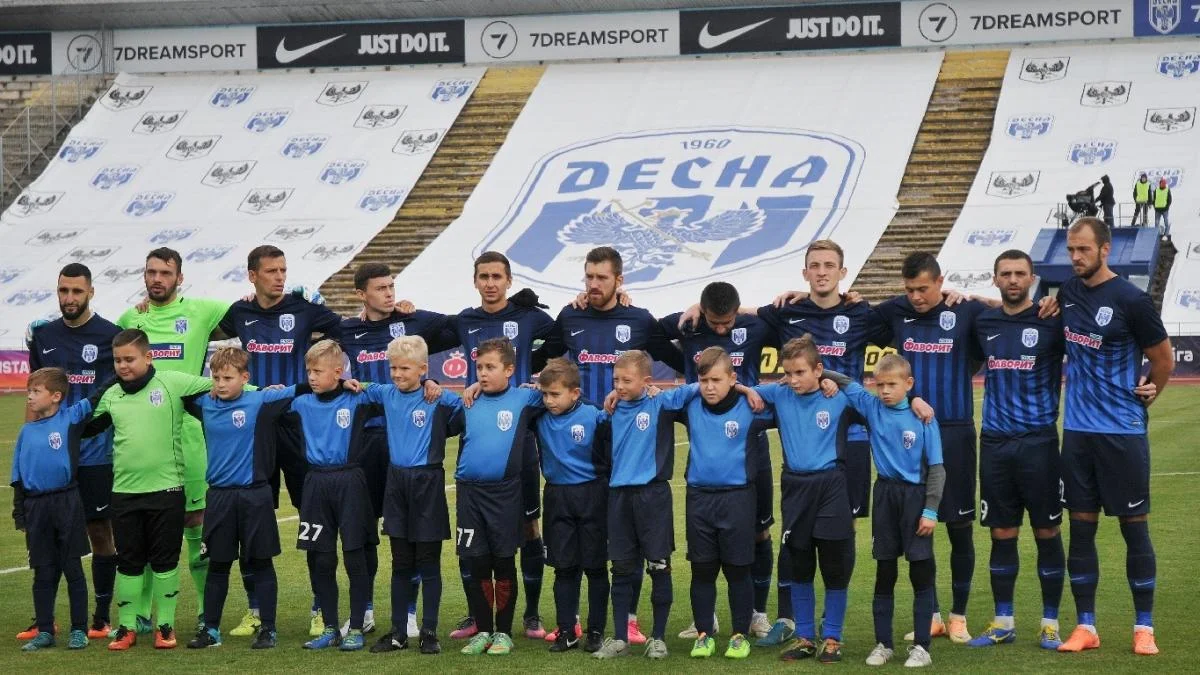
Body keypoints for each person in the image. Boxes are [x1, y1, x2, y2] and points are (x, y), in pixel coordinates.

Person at [535, 246, 686, 644]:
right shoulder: (570, 316)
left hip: (624, 442)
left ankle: (628, 620)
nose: (593, 284)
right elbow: (543, 359)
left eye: (602, 277)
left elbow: (675, 357)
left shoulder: (638, 319)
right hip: (581, 440)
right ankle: (572, 622)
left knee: (622, 542)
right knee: (581, 544)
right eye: (589, 277)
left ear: (619, 280)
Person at [217, 245, 351, 638]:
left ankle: (320, 607)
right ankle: (255, 609)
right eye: (271, 271)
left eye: (283, 270)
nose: (280, 277)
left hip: (297, 426)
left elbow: (347, 332)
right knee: (250, 520)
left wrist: (321, 306)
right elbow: (203, 330)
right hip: (255, 427)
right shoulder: (239, 313)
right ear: (252, 276)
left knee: (314, 517)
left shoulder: (303, 309)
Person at [1054, 218, 1173, 656]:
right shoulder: (1067, 293)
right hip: (1078, 433)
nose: (1075, 257)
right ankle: (1086, 626)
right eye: (1071, 249)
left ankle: (1144, 627)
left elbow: (1163, 359)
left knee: (1134, 528)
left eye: (1083, 249)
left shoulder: (1131, 300)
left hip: (1121, 432)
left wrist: (1148, 395)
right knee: (1081, 529)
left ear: (1105, 250)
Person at [869, 252, 988, 644]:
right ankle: (933, 614)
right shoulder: (895, 312)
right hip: (909, 439)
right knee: (922, 528)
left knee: (959, 526)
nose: (916, 297)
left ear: (940, 281)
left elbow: (1007, 311)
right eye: (910, 290)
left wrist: (974, 295)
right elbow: (847, 317)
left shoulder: (965, 311)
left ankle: (958, 616)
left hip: (954, 432)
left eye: (923, 288)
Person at [343, 263, 459, 642]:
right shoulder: (351, 335)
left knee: (421, 552)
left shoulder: (414, 326)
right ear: (361, 294)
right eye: (380, 288)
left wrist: (434, 385)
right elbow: (349, 381)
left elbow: (458, 326)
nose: (389, 293)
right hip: (378, 457)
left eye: (391, 285)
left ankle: (417, 622)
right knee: (381, 542)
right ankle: (377, 619)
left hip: (420, 468)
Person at [118, 248, 232, 634]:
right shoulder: (131, 318)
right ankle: (142, 613)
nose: (157, 279)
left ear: (179, 278)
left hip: (191, 436)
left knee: (196, 520)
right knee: (147, 522)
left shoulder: (202, 311)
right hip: (144, 440)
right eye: (151, 272)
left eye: (165, 273)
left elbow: (252, 313)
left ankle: (203, 610)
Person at [443, 252, 555, 642]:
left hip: (519, 445)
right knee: (472, 541)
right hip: (478, 431)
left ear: (509, 280)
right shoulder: (464, 320)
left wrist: (533, 371)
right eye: (483, 276)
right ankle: (478, 617)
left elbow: (564, 334)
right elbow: (423, 333)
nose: (490, 283)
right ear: (475, 281)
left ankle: (531, 615)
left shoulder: (530, 317)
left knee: (528, 527)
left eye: (496, 276)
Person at [659, 281, 777, 642]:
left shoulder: (754, 325)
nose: (723, 330)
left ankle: (757, 614)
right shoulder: (689, 325)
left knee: (759, 532)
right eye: (716, 322)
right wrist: (693, 308)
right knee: (705, 558)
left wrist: (742, 389)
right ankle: (705, 620)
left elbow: (785, 319)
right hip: (706, 443)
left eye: (729, 322)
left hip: (751, 442)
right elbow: (651, 329)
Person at [85, 328, 216, 650]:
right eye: (117, 360)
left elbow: (221, 385)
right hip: (124, 492)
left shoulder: (172, 383)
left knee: (164, 561)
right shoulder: (111, 394)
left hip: (167, 490)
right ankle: (127, 627)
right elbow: (84, 425)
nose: (123, 366)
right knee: (129, 562)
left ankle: (165, 626)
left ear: (148, 357)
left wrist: (268, 391)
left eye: (129, 359)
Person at [966, 250, 1067, 650]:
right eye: (1005, 274)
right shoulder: (983, 321)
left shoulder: (1052, 320)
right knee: (1002, 532)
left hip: (1039, 442)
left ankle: (1050, 623)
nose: (1012, 280)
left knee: (1047, 531)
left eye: (1019, 274)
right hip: (995, 443)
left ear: (1032, 278)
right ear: (995, 279)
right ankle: (1003, 621)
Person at [826, 355, 944, 668]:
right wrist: (819, 373)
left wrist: (931, 510)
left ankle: (922, 646)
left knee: (920, 571)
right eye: (880, 385)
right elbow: (845, 381)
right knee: (885, 570)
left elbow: (937, 469)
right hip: (885, 496)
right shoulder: (871, 406)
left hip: (915, 497)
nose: (885, 391)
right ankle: (884, 644)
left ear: (909, 384)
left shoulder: (923, 418)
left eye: (892, 384)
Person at [24, 263, 121, 641]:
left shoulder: (110, 336)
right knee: (44, 535)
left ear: (91, 292)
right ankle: (44, 619)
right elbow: (35, 393)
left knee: (99, 531)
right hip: (51, 457)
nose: (69, 298)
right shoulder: (44, 336)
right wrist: (29, 442)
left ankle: (100, 617)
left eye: (77, 291)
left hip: (95, 453)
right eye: (63, 290)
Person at [182, 347, 301, 650]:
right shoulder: (203, 404)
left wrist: (348, 383)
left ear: (245, 378)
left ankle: (268, 629)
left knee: (261, 563)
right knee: (218, 564)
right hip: (219, 497)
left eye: (228, 378)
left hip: (255, 496)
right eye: (216, 378)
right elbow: (178, 391)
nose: (220, 384)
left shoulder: (261, 401)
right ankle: (211, 630)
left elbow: (304, 388)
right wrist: (206, 387)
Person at [357, 335, 464, 655]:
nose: (397, 374)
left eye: (405, 368)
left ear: (422, 368)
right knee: (401, 561)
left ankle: (429, 631)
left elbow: (466, 405)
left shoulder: (438, 398)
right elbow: (359, 386)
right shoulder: (385, 393)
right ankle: (398, 632)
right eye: (393, 368)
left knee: (428, 562)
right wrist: (350, 383)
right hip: (396, 483)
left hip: (427, 482)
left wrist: (435, 385)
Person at [753, 337, 856, 664]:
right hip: (795, 488)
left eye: (800, 372)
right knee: (800, 563)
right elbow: (740, 390)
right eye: (788, 373)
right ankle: (805, 638)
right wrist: (746, 388)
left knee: (834, 564)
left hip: (831, 485)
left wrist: (832, 379)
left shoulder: (838, 397)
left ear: (818, 369)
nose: (793, 379)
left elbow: (862, 390)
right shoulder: (780, 393)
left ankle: (832, 638)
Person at [592, 350, 693, 660]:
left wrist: (659, 390)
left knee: (659, 567)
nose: (620, 386)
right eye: (616, 380)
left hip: (653, 496)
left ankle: (658, 638)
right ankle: (621, 638)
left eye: (627, 380)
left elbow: (699, 386)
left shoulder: (661, 402)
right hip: (619, 498)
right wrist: (613, 395)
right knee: (621, 568)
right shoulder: (611, 410)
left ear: (646, 381)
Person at [678, 347, 771, 661]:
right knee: (702, 570)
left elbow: (789, 394)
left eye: (716, 380)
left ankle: (739, 636)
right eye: (704, 380)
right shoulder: (690, 405)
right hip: (699, 500)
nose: (709, 387)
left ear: (733, 378)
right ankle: (704, 635)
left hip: (738, 499)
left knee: (737, 571)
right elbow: (654, 398)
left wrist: (746, 390)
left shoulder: (752, 407)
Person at [285, 341, 378, 651]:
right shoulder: (300, 404)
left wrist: (358, 383)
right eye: (308, 371)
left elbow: (394, 393)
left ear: (338, 372)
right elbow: (264, 402)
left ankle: (356, 627)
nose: (311, 377)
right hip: (315, 483)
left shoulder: (357, 399)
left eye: (318, 371)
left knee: (354, 555)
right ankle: (329, 627)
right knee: (321, 558)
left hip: (350, 482)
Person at [454, 338, 544, 657]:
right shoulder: (468, 401)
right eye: (479, 367)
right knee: (477, 562)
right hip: (469, 494)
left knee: (504, 562)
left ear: (509, 369)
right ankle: (482, 630)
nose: (483, 373)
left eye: (490, 367)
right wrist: (429, 384)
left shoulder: (525, 399)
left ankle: (503, 632)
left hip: (505, 494)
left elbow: (564, 391)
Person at [11, 368, 109, 651]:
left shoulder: (69, 419)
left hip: (67, 502)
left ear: (56, 396)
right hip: (36, 506)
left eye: (36, 391)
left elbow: (97, 397)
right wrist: (20, 512)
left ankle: (79, 630)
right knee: (42, 571)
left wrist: (117, 376)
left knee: (72, 567)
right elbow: (18, 476)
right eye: (29, 391)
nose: (30, 397)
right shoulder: (26, 431)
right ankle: (44, 630)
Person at [530, 359, 611, 654]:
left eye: (555, 394)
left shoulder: (595, 415)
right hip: (557, 497)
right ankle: (567, 631)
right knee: (563, 568)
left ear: (575, 393)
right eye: (545, 394)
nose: (549, 401)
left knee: (596, 567)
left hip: (593, 495)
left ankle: (596, 631)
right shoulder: (538, 415)